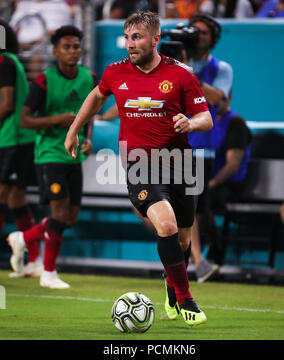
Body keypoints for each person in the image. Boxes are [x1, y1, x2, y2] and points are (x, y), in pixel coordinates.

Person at [65, 11, 213, 326]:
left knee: (183, 241)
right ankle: (187, 300)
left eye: (138, 37)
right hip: (139, 165)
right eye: (128, 37)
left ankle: (173, 291)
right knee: (167, 224)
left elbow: (207, 118)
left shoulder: (182, 74)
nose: (131, 44)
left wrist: (190, 122)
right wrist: (75, 128)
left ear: (155, 39)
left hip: (181, 166)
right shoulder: (115, 73)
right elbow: (96, 96)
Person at [7, 25, 96, 289]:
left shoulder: (89, 77)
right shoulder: (44, 81)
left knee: (69, 218)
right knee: (58, 213)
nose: (72, 51)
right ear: (56, 50)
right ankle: (48, 273)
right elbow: (24, 120)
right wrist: (57, 119)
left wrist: (87, 138)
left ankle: (22, 238)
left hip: (74, 156)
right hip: (49, 154)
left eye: (76, 46)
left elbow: (88, 112)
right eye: (67, 47)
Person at [187, 13, 233, 281]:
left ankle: (205, 258)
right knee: (183, 206)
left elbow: (218, 98)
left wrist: (188, 75)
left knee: (198, 209)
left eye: (204, 32)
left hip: (202, 147)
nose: (198, 36)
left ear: (212, 38)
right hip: (173, 144)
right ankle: (196, 260)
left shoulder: (222, 68)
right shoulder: (173, 63)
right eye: (194, 31)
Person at [192, 93, 251, 273]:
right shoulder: (201, 121)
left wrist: (209, 184)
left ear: (230, 98)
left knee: (194, 199)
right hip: (202, 179)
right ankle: (193, 250)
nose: (215, 101)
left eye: (221, 97)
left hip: (229, 185)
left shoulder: (235, 123)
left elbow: (233, 165)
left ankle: (206, 255)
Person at [0, 19, 39, 277]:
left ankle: (34, 258)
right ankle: (34, 259)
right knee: (14, 199)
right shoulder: (10, 61)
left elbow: (6, 105)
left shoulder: (4, 62)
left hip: (13, 140)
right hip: (17, 140)